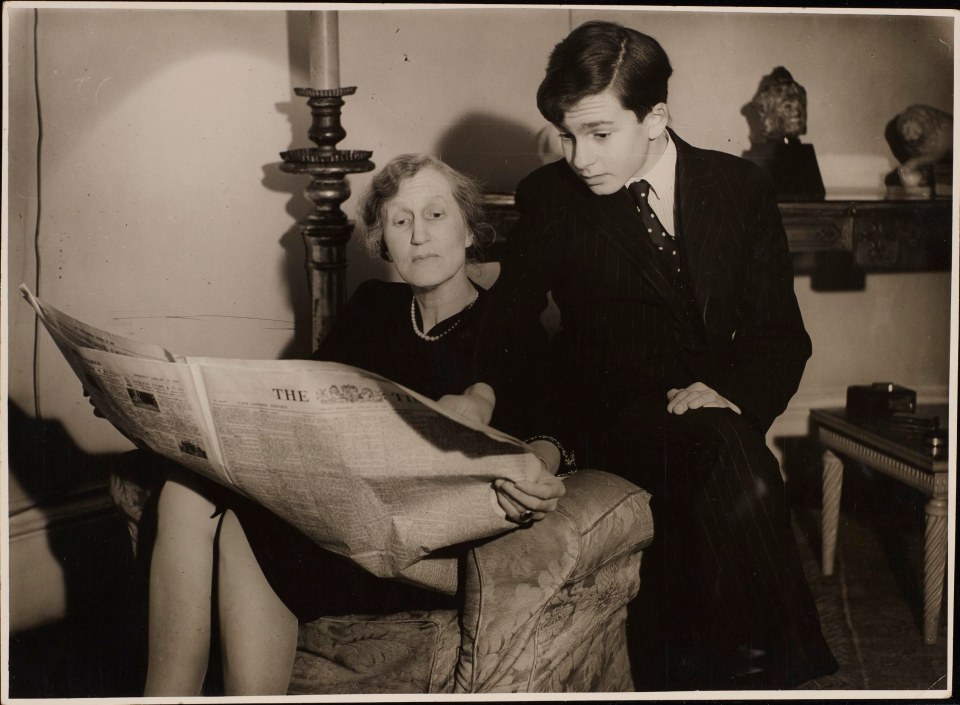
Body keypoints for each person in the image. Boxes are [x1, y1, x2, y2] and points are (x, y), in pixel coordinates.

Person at [482, 20, 838, 690]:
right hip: (612, 415)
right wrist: (501, 410)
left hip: (711, 414)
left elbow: (778, 333)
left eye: (599, 133)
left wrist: (732, 392)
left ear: (656, 117)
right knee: (734, 457)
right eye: (568, 134)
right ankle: (777, 674)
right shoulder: (553, 196)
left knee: (725, 451)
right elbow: (506, 325)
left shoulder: (740, 188)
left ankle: (717, 671)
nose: (579, 155)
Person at [136, 154, 567, 695]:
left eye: (436, 215)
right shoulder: (374, 306)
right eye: (400, 221)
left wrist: (540, 466)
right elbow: (303, 395)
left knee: (244, 529)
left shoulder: (508, 325)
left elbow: (554, 433)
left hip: (412, 542)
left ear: (469, 230)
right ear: (382, 241)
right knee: (181, 489)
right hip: (339, 505)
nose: (419, 236)